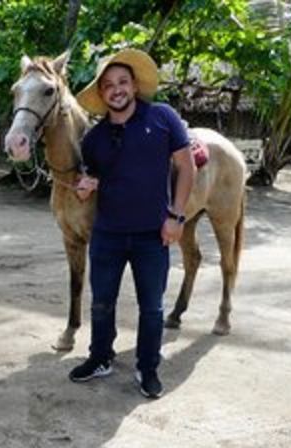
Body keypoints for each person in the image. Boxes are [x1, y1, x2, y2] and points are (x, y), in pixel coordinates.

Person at [69, 49, 196, 399]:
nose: (116, 90)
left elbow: (187, 168)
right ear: (102, 93)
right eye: (108, 85)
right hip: (108, 234)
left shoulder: (162, 117)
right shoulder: (93, 139)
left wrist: (176, 216)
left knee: (152, 307)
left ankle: (148, 367)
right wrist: (84, 187)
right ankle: (100, 357)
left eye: (122, 82)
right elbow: (88, 183)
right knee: (101, 302)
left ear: (135, 85)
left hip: (152, 234)